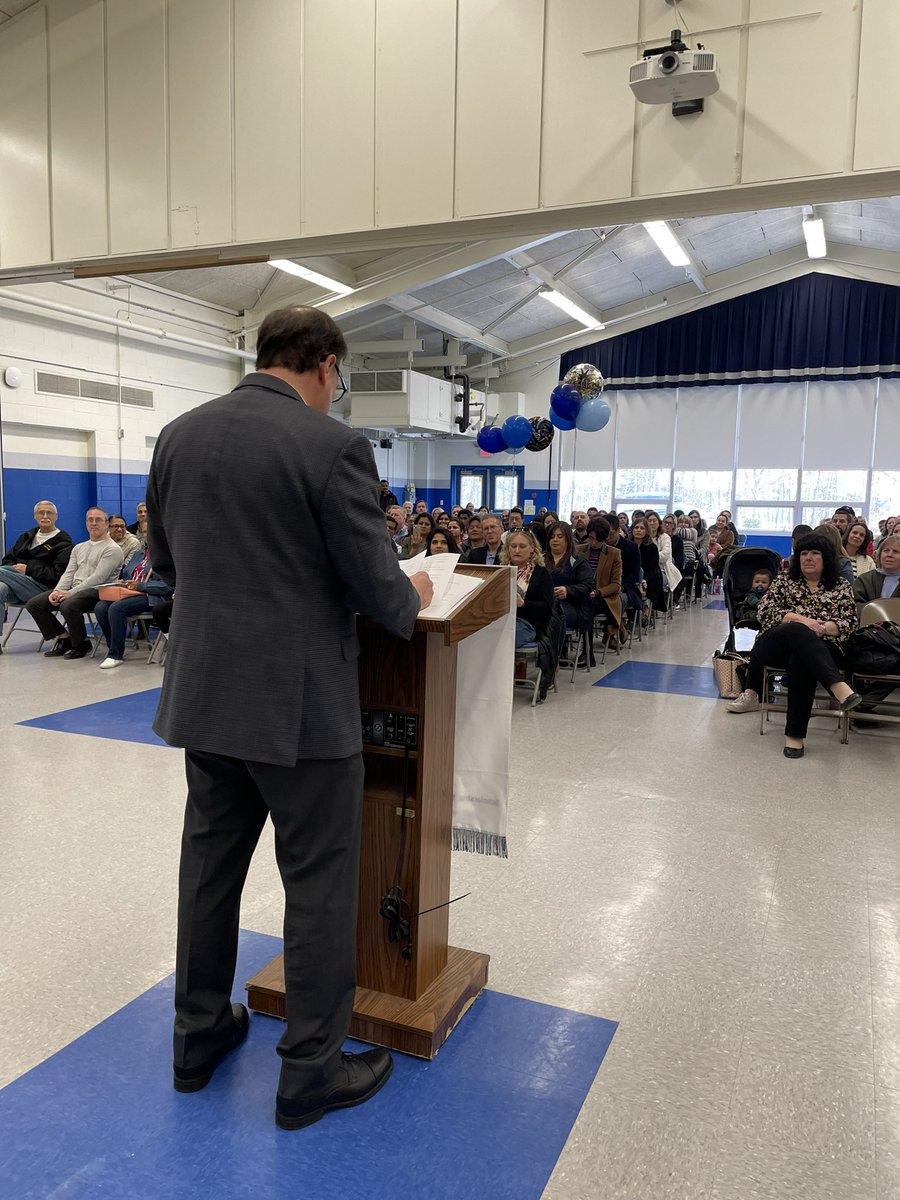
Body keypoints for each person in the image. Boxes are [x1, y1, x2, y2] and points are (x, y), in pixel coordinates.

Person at [146, 305, 433, 1130]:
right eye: (338, 378)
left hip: (206, 697)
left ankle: (196, 1037)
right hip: (300, 710)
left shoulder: (179, 435)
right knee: (316, 885)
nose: (335, 390)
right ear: (325, 364)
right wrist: (407, 592)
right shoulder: (330, 446)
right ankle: (308, 1071)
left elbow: (165, 561)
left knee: (209, 871)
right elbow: (377, 589)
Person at [725, 533, 860, 757]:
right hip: (775, 645)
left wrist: (823, 628)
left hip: (823, 649)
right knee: (798, 629)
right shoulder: (785, 580)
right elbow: (765, 611)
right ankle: (837, 686)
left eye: (815, 553)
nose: (808, 558)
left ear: (826, 557)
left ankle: (794, 736)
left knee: (802, 660)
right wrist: (805, 621)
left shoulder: (840, 586)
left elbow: (849, 623)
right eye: (804, 553)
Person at [26, 508, 124, 659]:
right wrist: (57, 591)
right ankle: (64, 638)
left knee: (68, 604)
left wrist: (70, 593)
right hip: (76, 590)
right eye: (90, 520)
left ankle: (81, 644)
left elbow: (98, 578)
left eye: (98, 520)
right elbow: (68, 574)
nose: (93, 523)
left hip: (99, 591)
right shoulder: (79, 548)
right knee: (34, 604)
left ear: (106, 524)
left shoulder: (112, 549)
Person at [94, 538, 174, 669]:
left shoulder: (167, 556)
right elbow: (126, 573)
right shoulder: (139, 553)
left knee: (116, 608)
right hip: (129, 593)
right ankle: (112, 646)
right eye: (145, 533)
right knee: (100, 607)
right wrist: (123, 582)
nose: (148, 536)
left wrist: (140, 586)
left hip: (152, 596)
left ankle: (116, 655)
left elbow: (168, 586)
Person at [0, 500, 73, 632]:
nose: (45, 516)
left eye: (49, 513)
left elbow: (56, 575)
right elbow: (7, 561)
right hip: (16, 584)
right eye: (41, 513)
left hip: (42, 588)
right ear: (35, 516)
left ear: (56, 516)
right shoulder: (26, 537)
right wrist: (16, 571)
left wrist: (28, 569)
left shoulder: (63, 541)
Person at [499, 530, 554, 647]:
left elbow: (547, 607)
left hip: (528, 623)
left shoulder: (541, 573)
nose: (517, 550)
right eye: (513, 546)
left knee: (501, 641)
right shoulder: (501, 570)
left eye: (522, 546)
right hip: (500, 620)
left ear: (532, 548)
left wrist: (523, 603)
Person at [544, 522, 593, 643]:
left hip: (571, 605)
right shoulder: (540, 559)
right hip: (544, 603)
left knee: (553, 616)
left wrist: (568, 590)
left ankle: (554, 653)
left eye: (560, 537)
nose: (555, 540)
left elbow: (588, 586)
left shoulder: (578, 560)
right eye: (552, 536)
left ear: (568, 540)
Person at [585, 517, 625, 648]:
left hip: (603, 596)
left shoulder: (614, 553)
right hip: (582, 591)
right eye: (591, 538)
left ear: (605, 538)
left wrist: (597, 592)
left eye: (598, 539)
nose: (594, 542)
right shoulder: (579, 550)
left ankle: (587, 648)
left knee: (586, 607)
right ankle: (564, 646)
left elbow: (615, 584)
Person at [853, 535, 900, 611]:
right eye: (886, 551)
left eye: (896, 552)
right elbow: (855, 604)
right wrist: (874, 615)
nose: (889, 555)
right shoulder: (864, 580)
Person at [631, 518, 663, 618]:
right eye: (636, 527)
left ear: (646, 531)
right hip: (631, 577)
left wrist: (645, 579)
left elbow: (653, 568)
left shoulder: (652, 547)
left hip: (649, 577)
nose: (638, 530)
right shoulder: (627, 545)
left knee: (648, 584)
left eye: (642, 528)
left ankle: (646, 609)